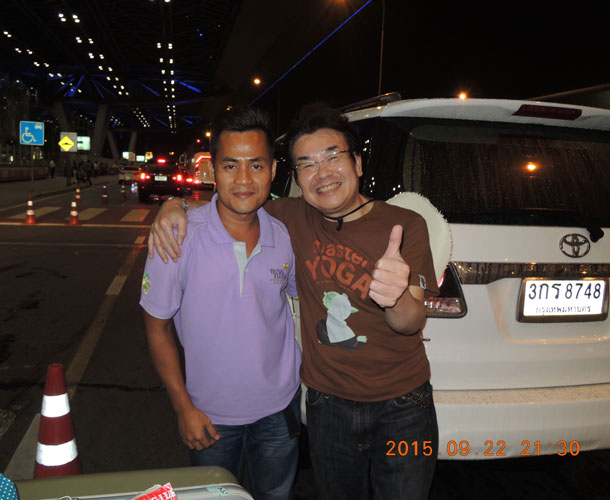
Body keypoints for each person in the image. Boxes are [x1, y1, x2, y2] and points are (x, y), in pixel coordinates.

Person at [149, 104, 440, 500]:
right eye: (307, 164)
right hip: (327, 404)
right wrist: (174, 205)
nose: (322, 173)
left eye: (332, 157)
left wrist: (396, 298)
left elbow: (410, 322)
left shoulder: (404, 225)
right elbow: (234, 202)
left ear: (357, 162)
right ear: (295, 178)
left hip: (403, 405)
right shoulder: (289, 217)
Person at [140, 107, 301, 500]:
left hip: (280, 410)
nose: (244, 179)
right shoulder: (177, 238)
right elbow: (156, 327)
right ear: (212, 170)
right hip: (209, 417)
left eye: (256, 165)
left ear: (273, 170)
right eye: (231, 166)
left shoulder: (283, 237)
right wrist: (183, 408)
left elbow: (300, 303)